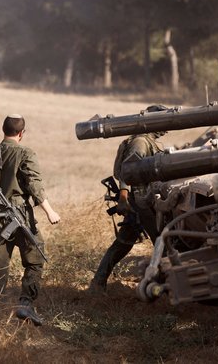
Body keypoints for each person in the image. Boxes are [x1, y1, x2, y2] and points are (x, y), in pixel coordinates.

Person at [0, 114, 61, 325]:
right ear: (21, 133)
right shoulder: (25, 153)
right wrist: (50, 211)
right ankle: (26, 304)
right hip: (21, 219)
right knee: (36, 258)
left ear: (3, 130)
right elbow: (34, 185)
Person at [87, 105, 167, 295]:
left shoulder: (147, 141)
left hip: (144, 199)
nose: (166, 128)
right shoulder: (140, 141)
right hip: (142, 200)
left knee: (125, 242)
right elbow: (128, 170)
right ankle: (164, 285)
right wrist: (124, 197)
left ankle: (98, 283)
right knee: (162, 241)